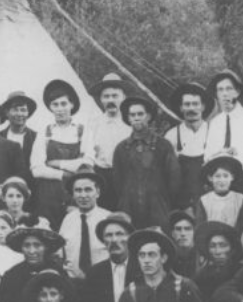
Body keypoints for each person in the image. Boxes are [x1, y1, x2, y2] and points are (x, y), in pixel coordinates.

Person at [30, 79, 94, 229]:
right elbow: (36, 169)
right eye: (55, 105)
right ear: (50, 107)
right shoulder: (45, 132)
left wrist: (56, 164)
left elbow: (88, 163)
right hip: (47, 194)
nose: (60, 109)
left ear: (71, 104)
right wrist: (64, 174)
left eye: (64, 104)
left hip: (75, 193)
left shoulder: (82, 131)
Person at [114, 96, 183, 228]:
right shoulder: (121, 148)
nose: (136, 117)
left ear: (149, 116)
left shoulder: (163, 145)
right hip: (130, 207)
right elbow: (118, 182)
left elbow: (174, 179)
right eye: (132, 114)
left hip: (158, 208)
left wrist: (162, 200)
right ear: (128, 118)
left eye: (140, 114)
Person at [0, 225, 67, 302]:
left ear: (45, 247)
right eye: (27, 245)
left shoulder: (57, 272)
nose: (31, 251)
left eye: (37, 245)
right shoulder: (11, 275)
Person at [81, 212, 139, 302]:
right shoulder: (94, 274)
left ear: (129, 238)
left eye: (119, 234)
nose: (114, 240)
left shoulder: (141, 270)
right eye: (109, 235)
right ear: (103, 240)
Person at [85, 73, 132, 210]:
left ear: (124, 97)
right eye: (106, 96)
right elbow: (89, 153)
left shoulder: (131, 123)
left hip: (127, 177)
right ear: (100, 99)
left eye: (115, 96)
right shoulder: (94, 124)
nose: (110, 100)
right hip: (103, 177)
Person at [164, 82, 213, 203]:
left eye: (196, 104)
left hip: (209, 195)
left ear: (203, 107)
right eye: (187, 104)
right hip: (181, 197)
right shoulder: (171, 135)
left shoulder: (214, 132)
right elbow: (166, 172)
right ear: (181, 108)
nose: (191, 108)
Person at [59, 166, 111, 279]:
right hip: (73, 283)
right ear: (73, 194)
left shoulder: (108, 219)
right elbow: (60, 255)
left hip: (102, 283)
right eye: (78, 190)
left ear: (97, 192)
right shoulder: (68, 220)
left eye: (88, 190)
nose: (83, 195)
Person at [193, 221, 242, 300]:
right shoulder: (202, 275)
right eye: (212, 246)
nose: (217, 251)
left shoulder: (241, 271)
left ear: (232, 248)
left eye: (223, 245)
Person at [195, 154, 243, 227]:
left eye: (225, 176)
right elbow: (200, 225)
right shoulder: (204, 200)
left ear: (232, 177)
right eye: (217, 176)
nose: (222, 180)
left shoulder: (240, 199)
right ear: (210, 178)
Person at [0, 91, 38, 175]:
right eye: (15, 109)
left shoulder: (36, 138)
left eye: (23, 110)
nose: (20, 114)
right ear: (7, 112)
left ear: (28, 113)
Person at [168, 210, 197, 277]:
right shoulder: (170, 258)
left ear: (194, 232)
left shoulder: (201, 258)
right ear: (172, 234)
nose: (183, 234)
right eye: (178, 229)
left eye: (187, 229)